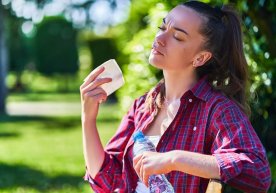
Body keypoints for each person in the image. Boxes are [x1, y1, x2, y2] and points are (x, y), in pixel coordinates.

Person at [80, 1, 271, 193]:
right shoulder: (142, 106)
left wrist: (174, 159)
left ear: (200, 58)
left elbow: (258, 172)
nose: (160, 38)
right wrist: (88, 119)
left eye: (178, 37)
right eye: (162, 27)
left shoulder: (217, 109)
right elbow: (109, 181)